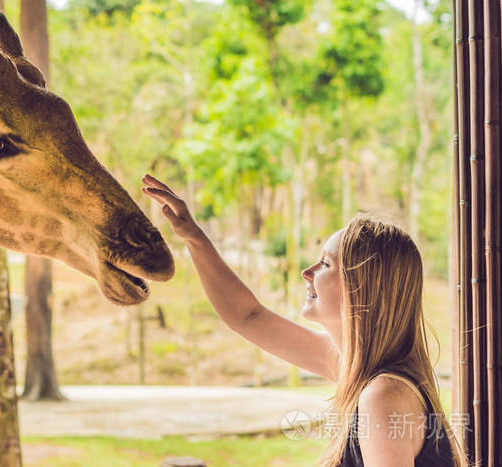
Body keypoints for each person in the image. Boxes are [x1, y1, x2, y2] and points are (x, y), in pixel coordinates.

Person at [141, 174, 464, 467]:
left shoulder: (384, 396)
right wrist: (195, 238)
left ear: (361, 287)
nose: (306, 273)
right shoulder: (356, 367)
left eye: (325, 264)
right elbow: (248, 317)